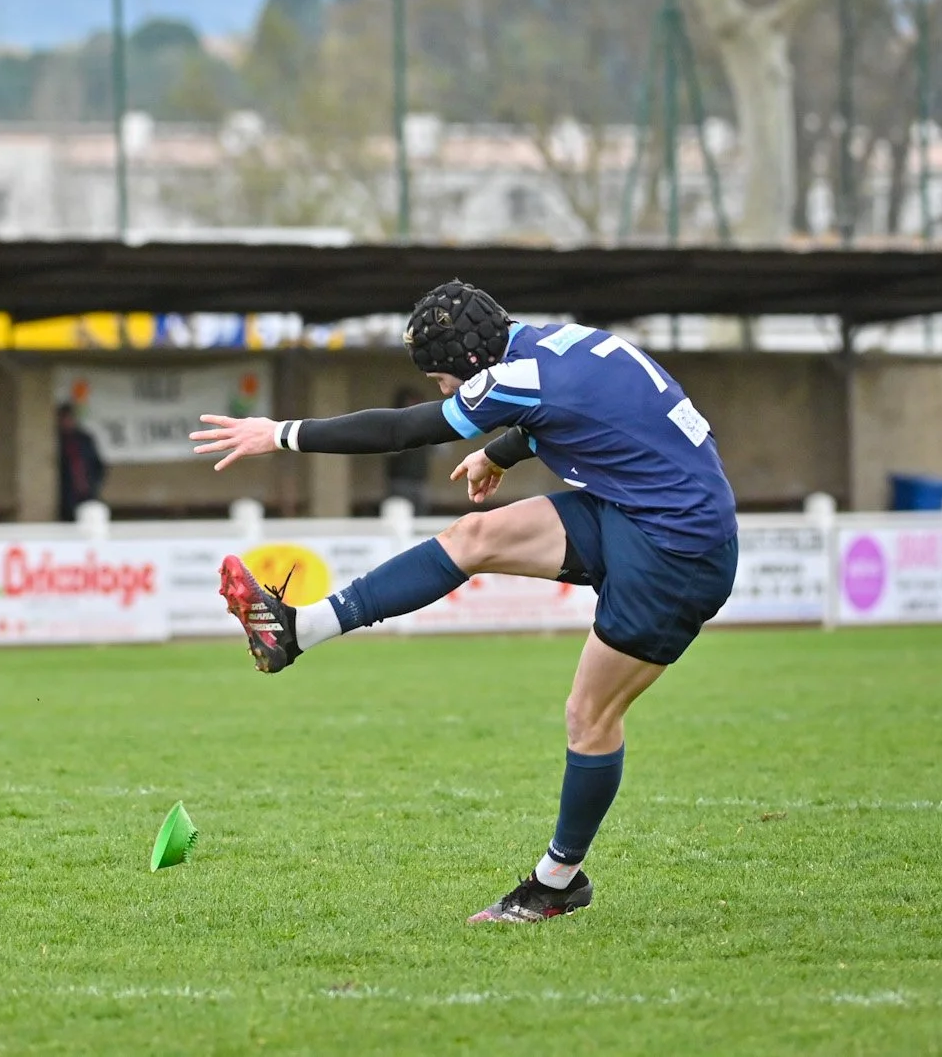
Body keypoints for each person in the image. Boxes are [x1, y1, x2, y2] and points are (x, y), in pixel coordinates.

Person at [191, 280, 738, 924]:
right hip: (640, 508)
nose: (441, 392)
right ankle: (298, 628)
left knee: (588, 717)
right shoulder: (549, 344)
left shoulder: (511, 380)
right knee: (473, 536)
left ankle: (558, 881)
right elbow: (580, 410)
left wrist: (280, 433)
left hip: (678, 550)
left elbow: (401, 430)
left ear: (469, 364)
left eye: (441, 379)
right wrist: (497, 452)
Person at [382, 384, 432, 512]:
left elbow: (443, 450)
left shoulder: (424, 425)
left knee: (420, 517)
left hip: (420, 480)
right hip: (400, 482)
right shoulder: (393, 424)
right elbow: (389, 452)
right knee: (399, 515)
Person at [56, 401, 108, 522]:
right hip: (67, 496)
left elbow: (98, 464)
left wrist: (94, 484)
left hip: (87, 492)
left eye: (70, 418)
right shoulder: (57, 440)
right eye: (64, 418)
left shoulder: (85, 439)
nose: (67, 421)